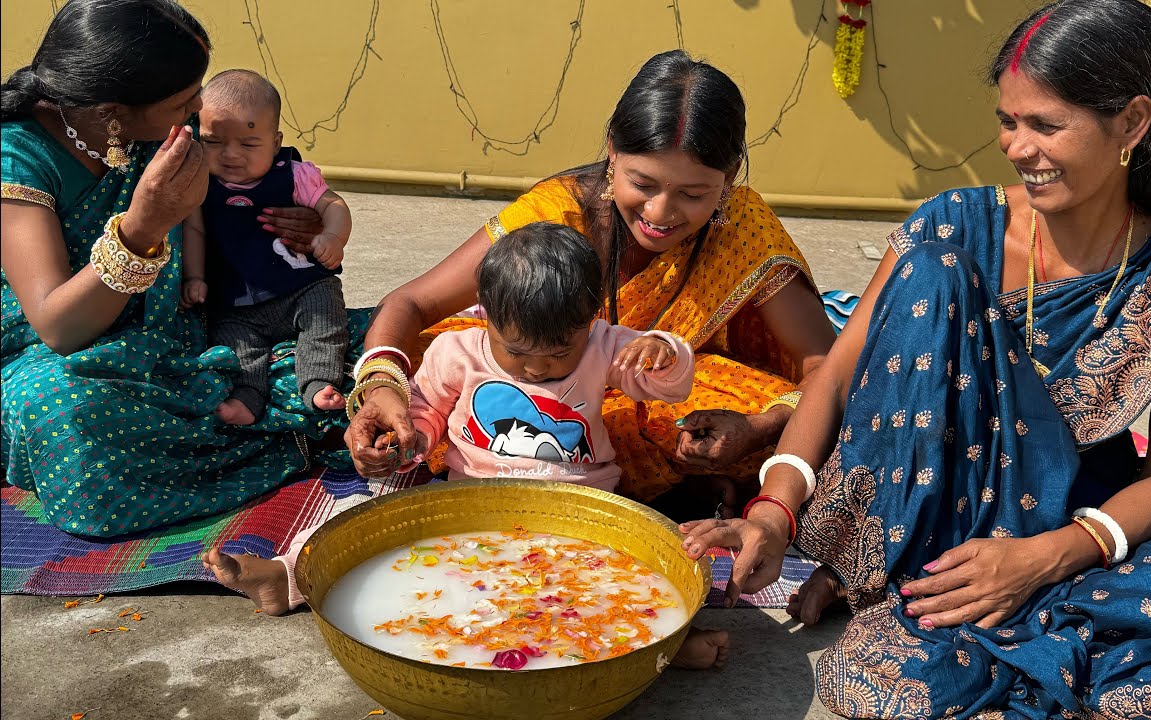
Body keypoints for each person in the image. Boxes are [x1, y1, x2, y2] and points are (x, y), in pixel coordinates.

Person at [681, 0, 1151, 717]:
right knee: (932, 271)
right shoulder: (955, 224)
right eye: (1008, 120)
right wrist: (775, 513)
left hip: (1075, 517)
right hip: (934, 503)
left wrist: (1042, 558)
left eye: (1045, 125)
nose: (1017, 147)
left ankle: (967, 601)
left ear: (1132, 123)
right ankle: (908, 571)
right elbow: (840, 373)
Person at [205, 222, 731, 669]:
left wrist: (661, 351)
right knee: (359, 516)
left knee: (623, 573)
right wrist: (406, 440)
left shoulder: (604, 346)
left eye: (557, 352)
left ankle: (658, 647)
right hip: (468, 503)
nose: (537, 367)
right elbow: (426, 413)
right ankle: (286, 576)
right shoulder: (456, 351)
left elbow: (671, 385)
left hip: (579, 511)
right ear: (486, 315)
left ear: (591, 317)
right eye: (518, 350)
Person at [342, 50, 837, 520]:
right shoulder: (557, 212)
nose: (660, 214)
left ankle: (676, 484)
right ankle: (672, 489)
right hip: (533, 382)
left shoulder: (745, 228)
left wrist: (758, 428)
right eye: (642, 184)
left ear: (728, 178)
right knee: (434, 358)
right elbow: (410, 302)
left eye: (693, 194)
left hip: (657, 385)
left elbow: (825, 368)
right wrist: (382, 387)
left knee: (804, 423)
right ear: (612, 153)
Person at [0, 0, 360, 538]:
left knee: (378, 343)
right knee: (62, 413)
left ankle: (264, 412)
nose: (199, 109)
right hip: (64, 355)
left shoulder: (168, 126)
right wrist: (141, 229)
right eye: (184, 101)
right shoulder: (17, 156)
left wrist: (304, 225)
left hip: (189, 327)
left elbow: (255, 189)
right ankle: (292, 432)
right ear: (112, 114)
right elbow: (57, 328)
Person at [180, 69, 352, 425]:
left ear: (275, 142)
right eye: (214, 142)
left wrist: (333, 237)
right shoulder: (199, 182)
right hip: (235, 301)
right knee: (233, 346)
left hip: (300, 287)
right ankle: (247, 396)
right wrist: (195, 277)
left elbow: (332, 206)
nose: (230, 155)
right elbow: (194, 231)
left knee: (326, 314)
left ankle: (319, 380)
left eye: (248, 144)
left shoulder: (293, 174)